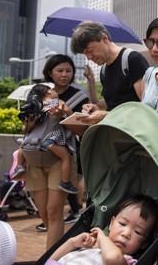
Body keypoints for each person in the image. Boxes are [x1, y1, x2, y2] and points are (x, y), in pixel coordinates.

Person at [18, 84, 77, 249]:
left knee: (53, 212)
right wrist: (31, 118)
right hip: (34, 164)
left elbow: (76, 128)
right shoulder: (34, 106)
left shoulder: (59, 104)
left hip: (56, 162)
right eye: (50, 92)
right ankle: (61, 250)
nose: (53, 93)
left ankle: (50, 258)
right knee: (44, 214)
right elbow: (25, 131)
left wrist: (66, 112)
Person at [42, 54, 91, 225]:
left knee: (71, 181)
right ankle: (47, 219)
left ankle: (75, 209)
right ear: (50, 72)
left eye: (68, 71)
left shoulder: (80, 97)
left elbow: (83, 129)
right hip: (42, 148)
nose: (64, 74)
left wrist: (67, 113)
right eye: (60, 70)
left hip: (68, 145)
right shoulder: (44, 93)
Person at [70, 21, 149, 124]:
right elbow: (112, 104)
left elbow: (146, 106)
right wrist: (95, 108)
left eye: (90, 51)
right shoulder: (104, 71)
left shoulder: (132, 59)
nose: (89, 57)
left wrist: (106, 115)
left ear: (104, 38)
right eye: (85, 54)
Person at [47, 194, 158, 265]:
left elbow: (112, 258)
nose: (126, 234)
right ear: (111, 223)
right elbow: (49, 263)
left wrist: (102, 237)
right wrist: (72, 243)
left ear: (144, 243)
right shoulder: (88, 247)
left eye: (138, 232)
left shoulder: (126, 260)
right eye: (122, 223)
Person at [14, 84, 78, 195]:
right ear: (49, 92)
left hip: (30, 144)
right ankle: (65, 182)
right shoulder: (57, 102)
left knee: (22, 144)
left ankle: (19, 166)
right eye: (53, 89)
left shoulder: (33, 106)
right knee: (66, 157)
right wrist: (66, 112)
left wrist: (31, 122)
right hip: (50, 142)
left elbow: (25, 130)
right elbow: (70, 117)